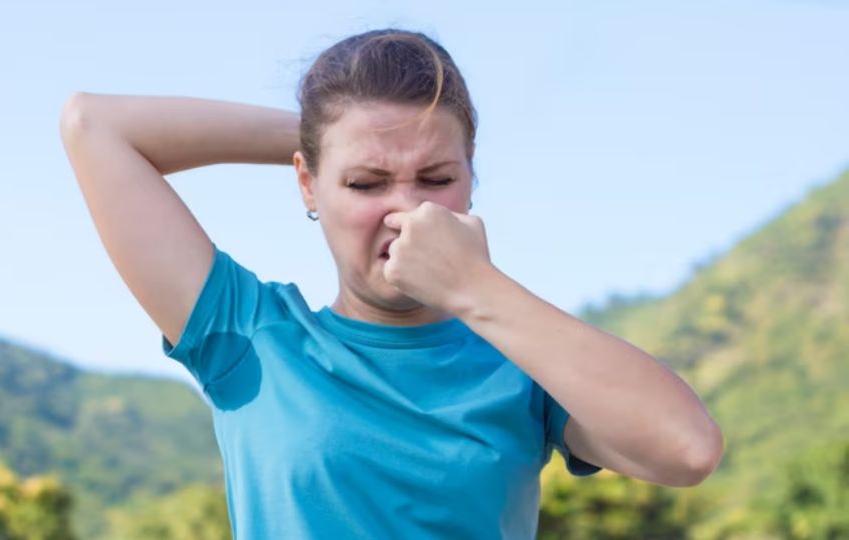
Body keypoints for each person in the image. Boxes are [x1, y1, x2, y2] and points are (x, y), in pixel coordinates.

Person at [60, 28, 724, 540]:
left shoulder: (520, 361)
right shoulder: (248, 334)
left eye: (437, 178)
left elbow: (687, 449)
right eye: (365, 182)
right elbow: (94, 126)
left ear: (472, 177)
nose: (405, 209)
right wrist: (329, 137)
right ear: (306, 184)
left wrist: (475, 288)